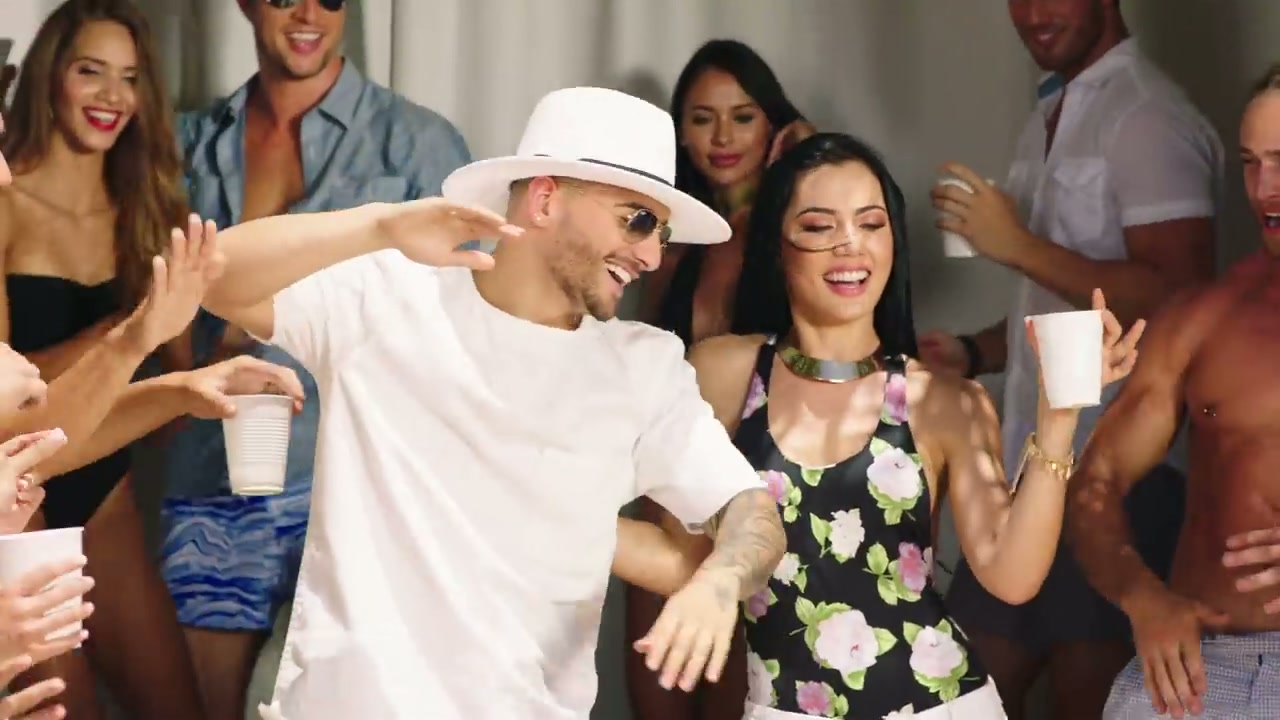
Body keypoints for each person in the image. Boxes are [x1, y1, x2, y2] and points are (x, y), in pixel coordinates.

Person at [190, 85, 786, 719]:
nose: (650, 254)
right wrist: (379, 225)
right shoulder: (390, 296)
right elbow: (209, 276)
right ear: (545, 199)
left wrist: (720, 581)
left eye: (660, 233)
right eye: (636, 220)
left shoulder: (644, 367)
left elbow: (751, 511)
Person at [640, 133, 1141, 718]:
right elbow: (679, 557)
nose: (850, 245)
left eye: (871, 224)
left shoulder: (945, 400)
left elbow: (1012, 578)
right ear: (776, 247)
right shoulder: (722, 373)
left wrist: (1058, 419)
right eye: (819, 226)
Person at [161, 1, 472, 713]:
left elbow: (467, 331)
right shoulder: (186, 144)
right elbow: (152, 308)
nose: (308, 13)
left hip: (356, 486)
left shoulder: (419, 143)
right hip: (215, 479)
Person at [922, 1, 1222, 716]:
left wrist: (1016, 245)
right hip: (1031, 471)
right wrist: (972, 351)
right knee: (952, 695)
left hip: (1120, 480)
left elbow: (1183, 299)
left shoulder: (1146, 116)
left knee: (1084, 702)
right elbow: (1061, 309)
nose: (1032, 12)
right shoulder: (1048, 115)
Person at [1069, 64, 1280, 720]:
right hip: (1199, 669)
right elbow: (1096, 479)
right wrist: (1142, 596)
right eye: (1250, 163)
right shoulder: (1200, 318)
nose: (1264, 189)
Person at [629, 38, 812, 720]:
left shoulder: (797, 233)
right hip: (668, 485)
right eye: (703, 118)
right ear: (680, 130)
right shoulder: (668, 236)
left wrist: (807, 160)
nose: (723, 137)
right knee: (655, 692)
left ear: (774, 125)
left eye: (743, 116)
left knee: (737, 696)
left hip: (759, 488)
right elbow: (653, 352)